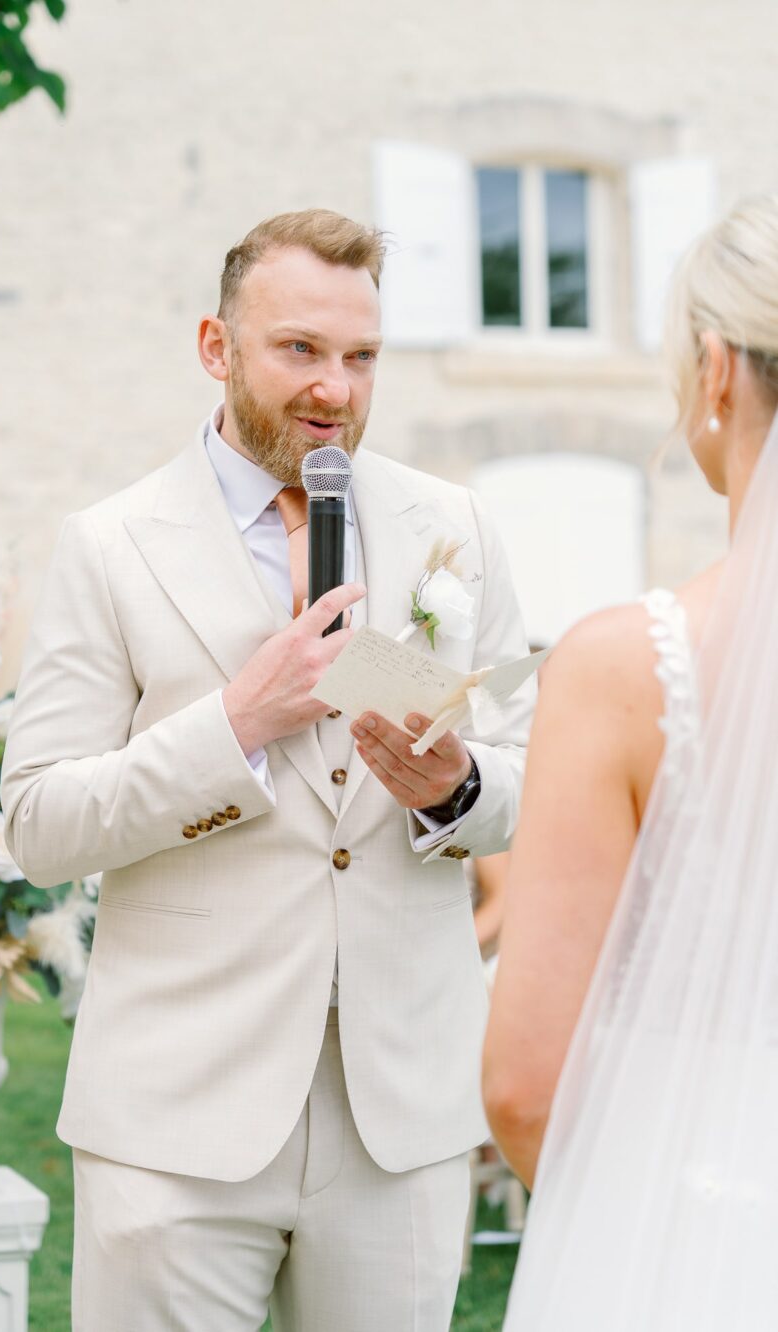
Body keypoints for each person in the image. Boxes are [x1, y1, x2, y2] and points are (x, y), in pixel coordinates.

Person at [1, 208, 532, 1331]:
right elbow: (40, 824)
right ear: (216, 346)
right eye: (299, 350)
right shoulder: (112, 543)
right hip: (178, 1120)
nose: (333, 389)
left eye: (360, 357)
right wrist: (232, 725)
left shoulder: (456, 526)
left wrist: (459, 791)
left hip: (399, 1118)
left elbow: (530, 774)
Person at [482, 195, 778, 1328]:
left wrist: (660, 1252)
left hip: (669, 1257)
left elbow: (524, 1086)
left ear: (714, 373)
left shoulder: (625, 667)